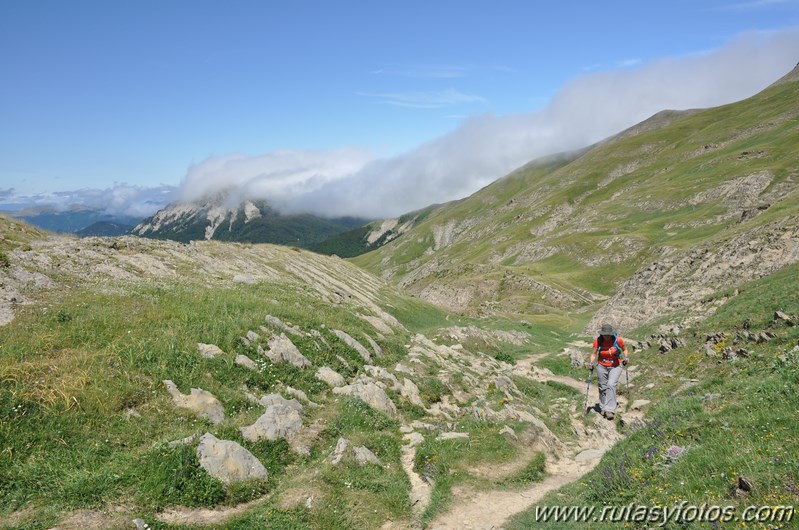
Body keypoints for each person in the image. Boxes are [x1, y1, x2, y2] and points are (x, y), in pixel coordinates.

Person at [587, 323, 629, 420]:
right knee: (602, 386)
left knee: (611, 384)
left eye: (608, 334)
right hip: (601, 365)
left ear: (611, 333)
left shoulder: (618, 340)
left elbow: (625, 349)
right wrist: (591, 362)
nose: (607, 336)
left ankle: (610, 410)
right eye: (605, 335)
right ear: (602, 334)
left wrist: (626, 357)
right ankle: (602, 406)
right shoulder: (598, 341)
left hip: (616, 365)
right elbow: (594, 353)